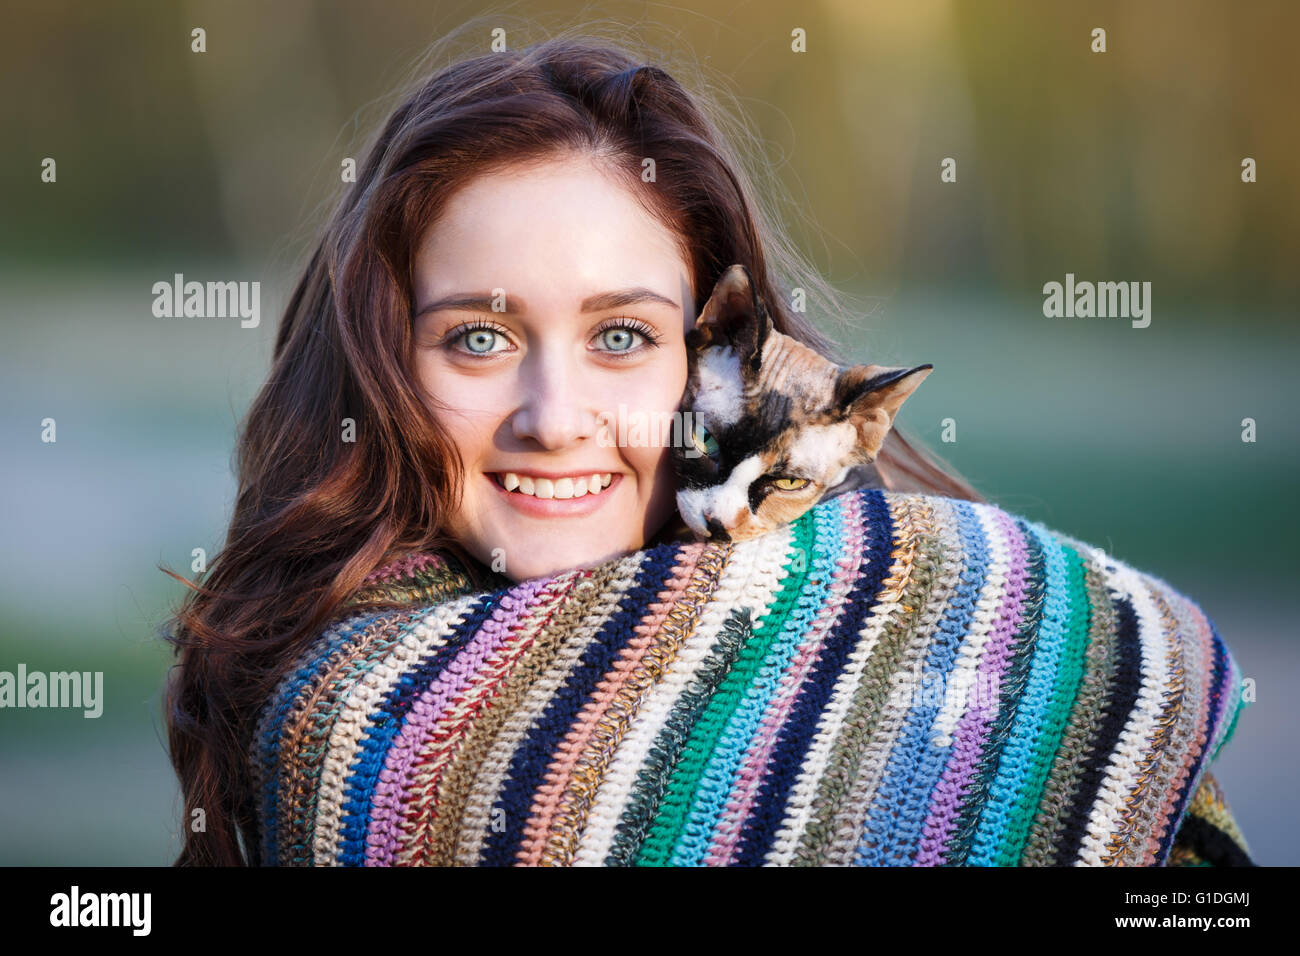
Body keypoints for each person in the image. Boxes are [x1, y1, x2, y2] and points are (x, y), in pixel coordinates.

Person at [161, 29, 1251, 867]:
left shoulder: (972, 618)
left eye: (622, 335)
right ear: (379, 362)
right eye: (479, 337)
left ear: (720, 354)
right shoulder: (342, 717)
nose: (555, 415)